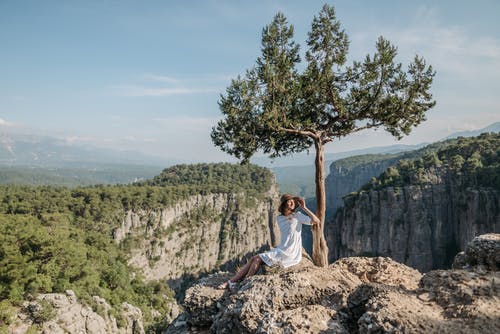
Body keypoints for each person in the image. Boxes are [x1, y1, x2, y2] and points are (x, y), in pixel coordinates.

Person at [218, 193, 320, 289]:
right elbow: (288, 222)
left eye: (294, 201)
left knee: (257, 259)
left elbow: (316, 221)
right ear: (285, 204)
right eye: (290, 201)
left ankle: (242, 282)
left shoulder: (298, 216)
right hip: (281, 249)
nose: (293, 202)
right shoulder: (280, 218)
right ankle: (231, 282)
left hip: (290, 252)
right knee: (254, 258)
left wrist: (304, 208)